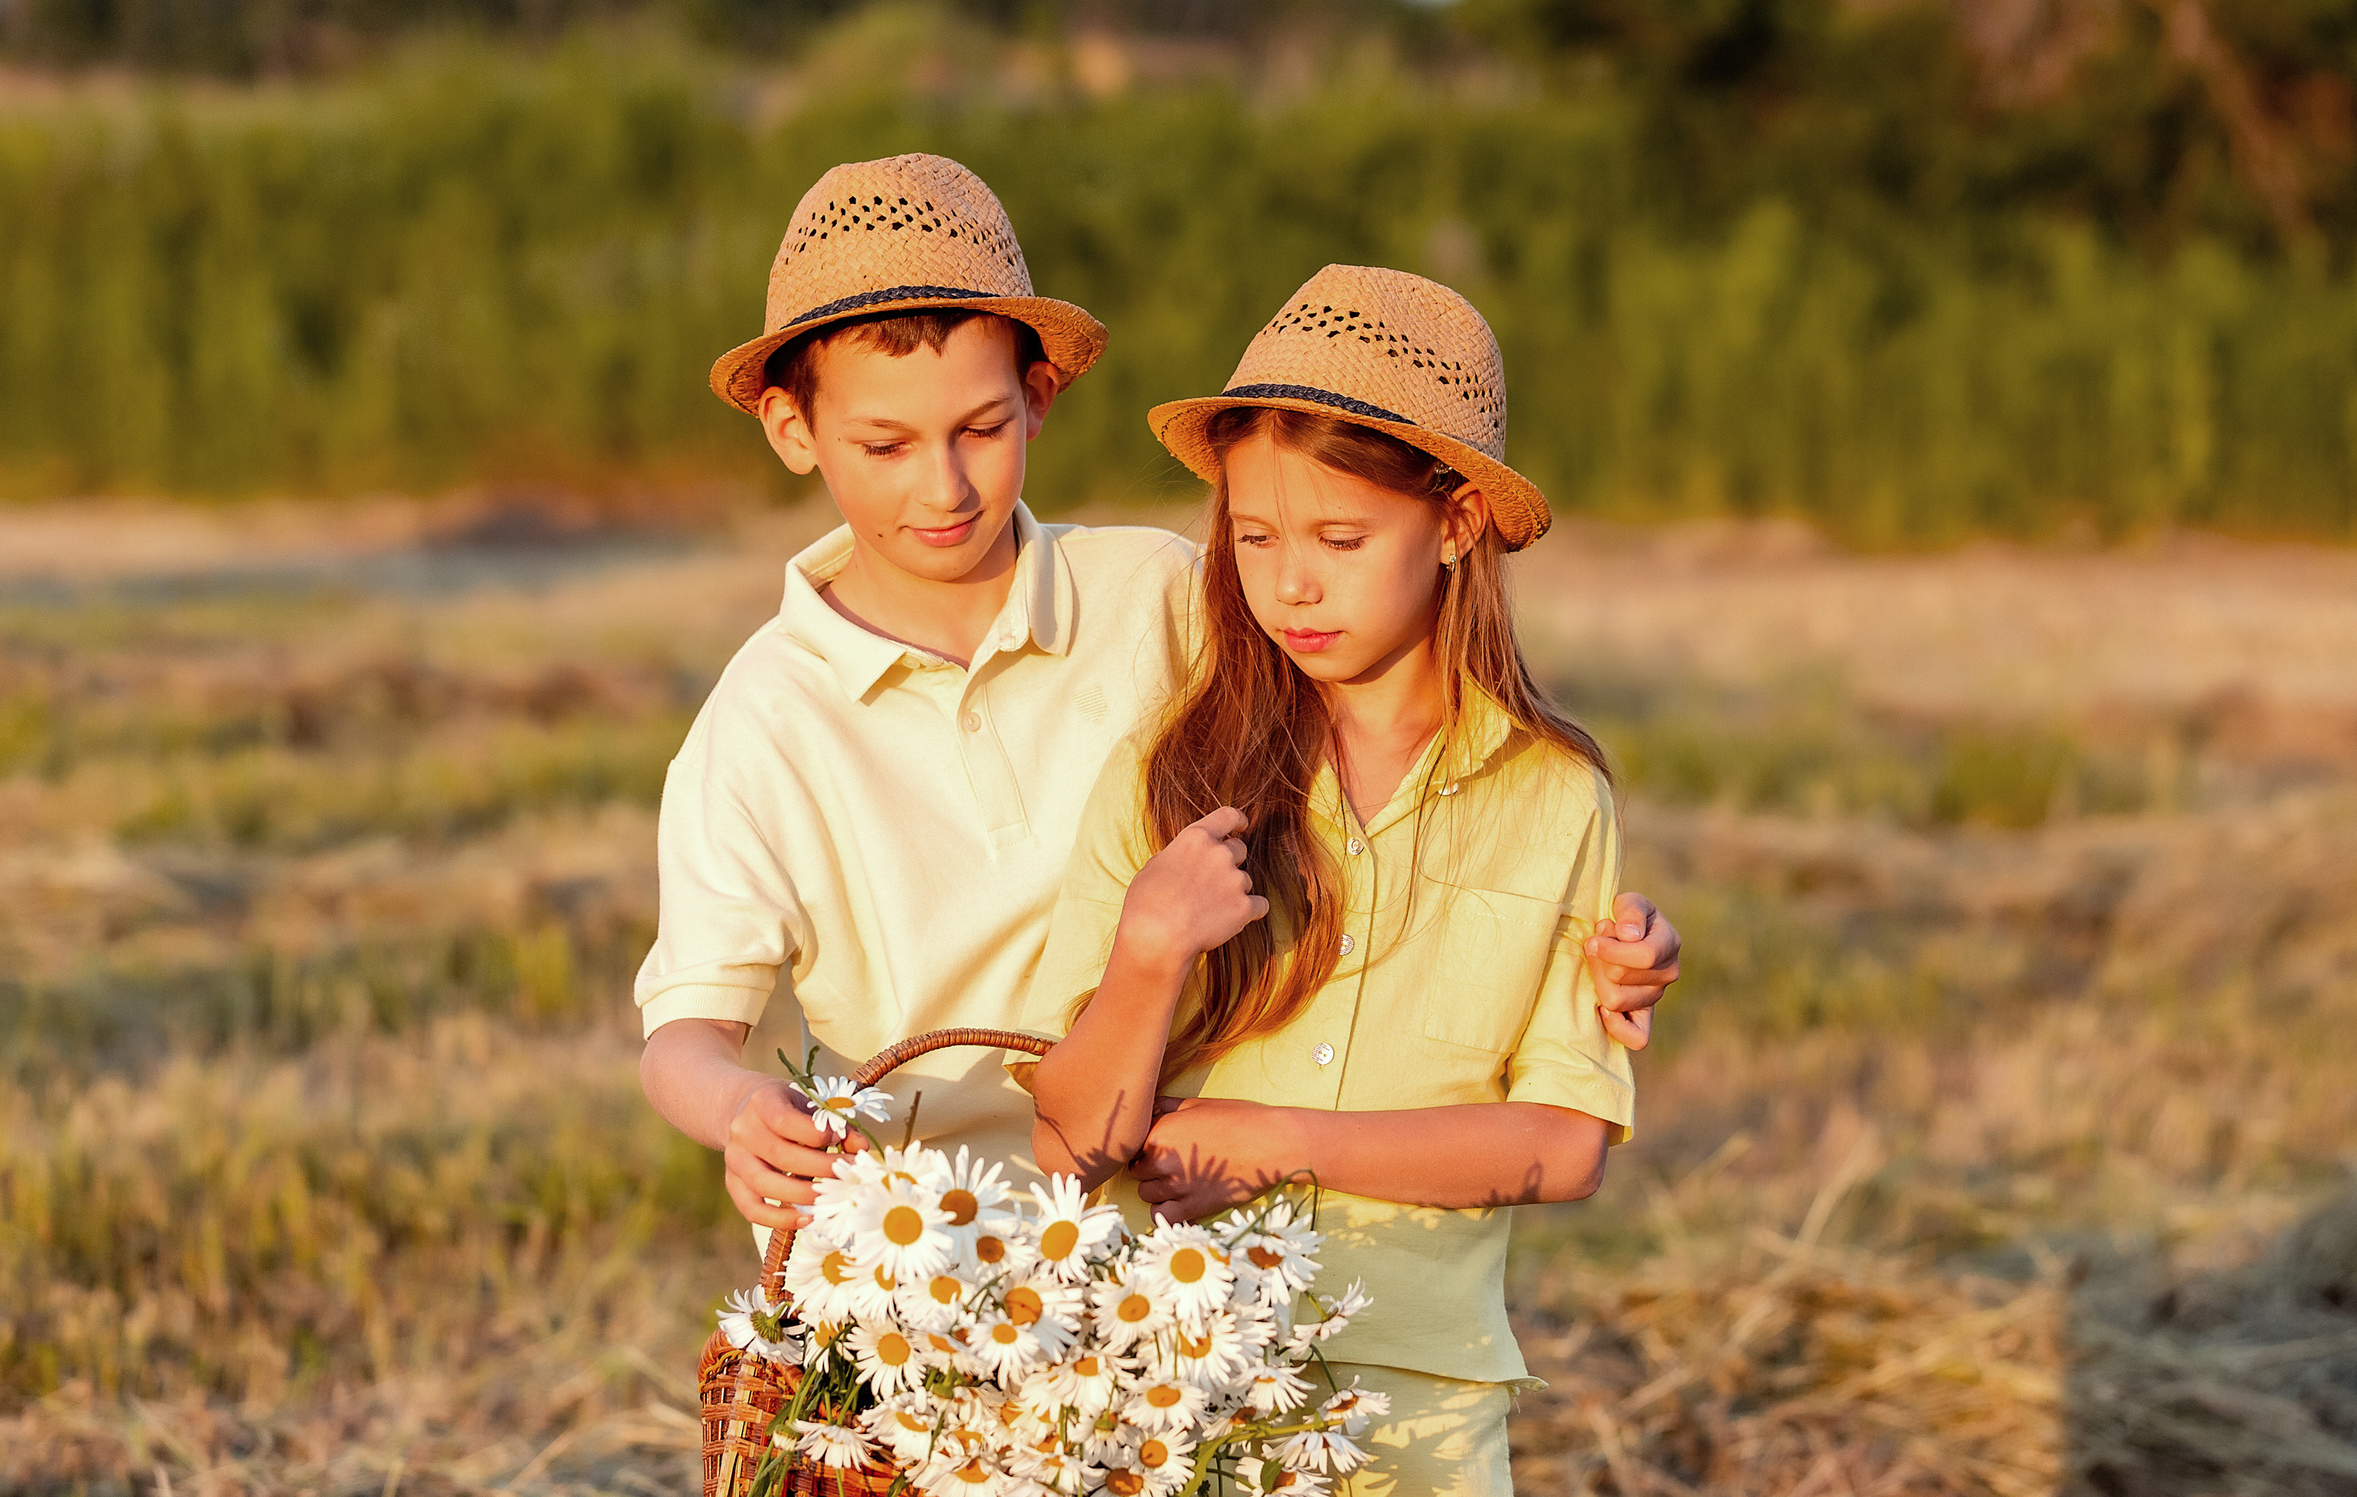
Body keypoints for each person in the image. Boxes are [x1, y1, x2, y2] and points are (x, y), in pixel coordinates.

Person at [635, 154, 1680, 1240]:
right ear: (792, 431)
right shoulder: (760, 723)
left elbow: (1398, 754)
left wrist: (1587, 949)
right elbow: (684, 1040)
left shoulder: (1163, 595)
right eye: (883, 445)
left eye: (980, 431)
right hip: (914, 1252)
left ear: (1037, 400)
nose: (941, 487)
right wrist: (741, 1108)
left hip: (1162, 1228)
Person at [1029, 265, 1630, 1497]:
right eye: (1255, 538)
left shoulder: (1553, 797)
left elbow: (1565, 1141)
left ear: (1458, 521)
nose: (1290, 585)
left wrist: (1271, 1140)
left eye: (1339, 542)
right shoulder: (1167, 776)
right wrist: (1147, 953)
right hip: (1175, 1402)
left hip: (1424, 1426)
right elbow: (1069, 1146)